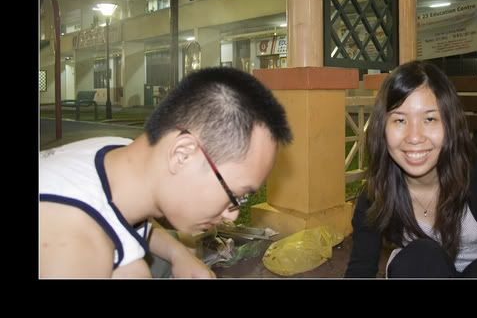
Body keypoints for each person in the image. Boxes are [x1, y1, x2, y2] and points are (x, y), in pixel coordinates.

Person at [40, 67, 292, 278]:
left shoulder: (118, 155)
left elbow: (130, 218)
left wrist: (178, 254)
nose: (232, 215)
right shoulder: (74, 251)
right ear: (182, 154)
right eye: (235, 196)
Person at [344, 60, 477, 278]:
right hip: (422, 271)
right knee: (420, 256)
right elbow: (360, 270)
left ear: (450, 124)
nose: (414, 137)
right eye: (400, 120)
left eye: (429, 119)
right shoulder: (377, 193)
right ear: (382, 129)